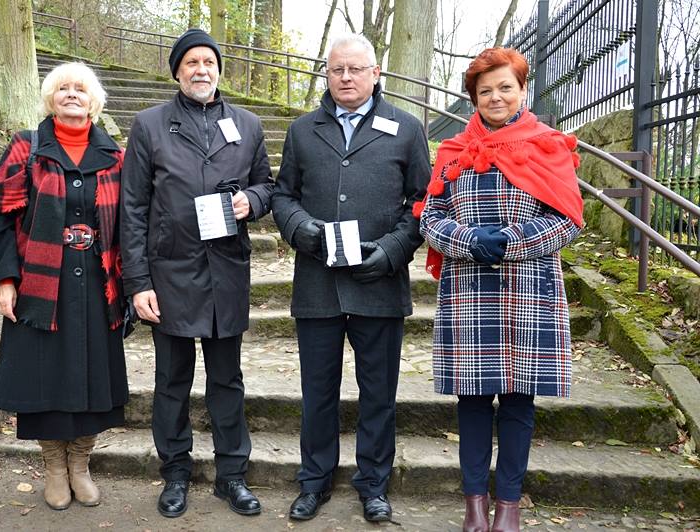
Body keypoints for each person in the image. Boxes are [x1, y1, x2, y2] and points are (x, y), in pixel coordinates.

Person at [417, 47, 584, 532]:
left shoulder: (549, 145)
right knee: (471, 401)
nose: (495, 96)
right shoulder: (452, 152)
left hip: (530, 291)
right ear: (473, 96)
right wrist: (469, 241)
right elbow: (429, 215)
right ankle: (474, 506)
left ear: (522, 90)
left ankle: (508, 506)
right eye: (485, 90)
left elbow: (568, 218)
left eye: (505, 87)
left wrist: (510, 243)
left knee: (518, 401)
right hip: (469, 292)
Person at [272, 34, 430, 523]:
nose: (346, 78)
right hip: (317, 284)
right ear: (326, 74)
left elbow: (423, 204)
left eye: (355, 69)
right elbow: (282, 196)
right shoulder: (302, 130)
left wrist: (390, 251)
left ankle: (373, 483)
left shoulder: (406, 129)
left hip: (379, 285)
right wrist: (303, 231)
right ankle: (314, 480)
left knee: (377, 393)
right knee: (317, 391)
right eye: (337, 69)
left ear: (375, 73)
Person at [120, 28, 274, 519]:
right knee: (171, 381)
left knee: (227, 379)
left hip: (226, 271)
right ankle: (176, 474)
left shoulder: (247, 125)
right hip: (169, 274)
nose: (201, 69)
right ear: (177, 72)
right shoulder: (149, 125)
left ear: (219, 69)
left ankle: (232, 475)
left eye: (208, 61)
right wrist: (138, 283)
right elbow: (132, 207)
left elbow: (268, 186)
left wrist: (252, 200)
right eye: (191, 63)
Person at [0, 62, 128, 511]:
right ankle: (53, 464)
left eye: (80, 89)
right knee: (44, 375)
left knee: (91, 373)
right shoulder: (26, 147)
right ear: (50, 99)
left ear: (94, 101)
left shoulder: (115, 156)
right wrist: (6, 279)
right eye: (62, 88)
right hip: (41, 284)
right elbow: (3, 217)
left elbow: (130, 224)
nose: (72, 94)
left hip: (97, 284)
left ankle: (81, 463)